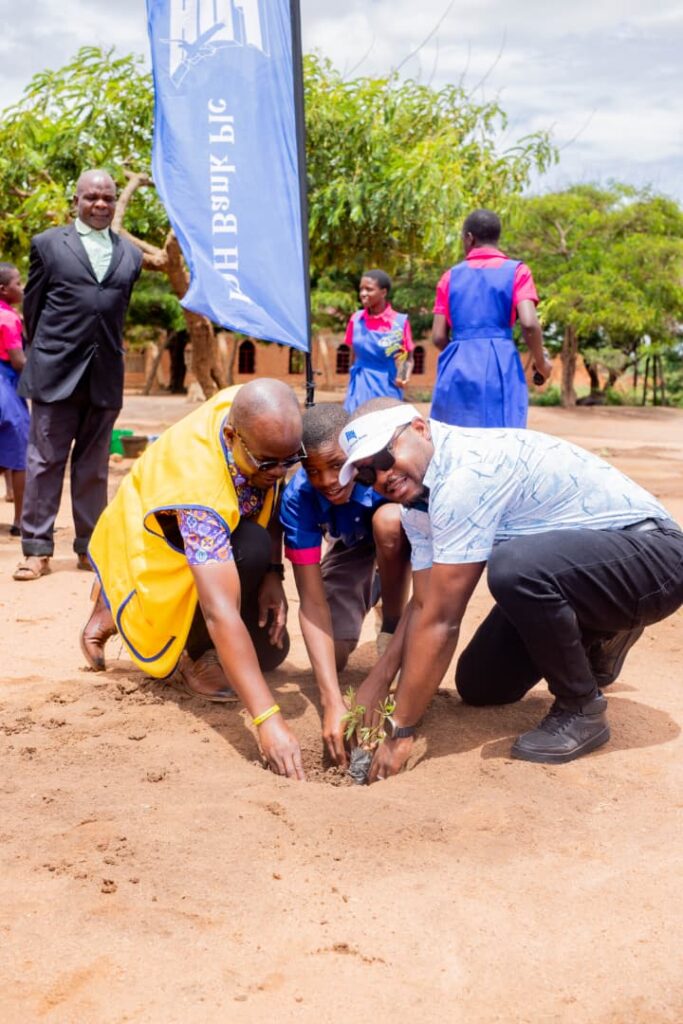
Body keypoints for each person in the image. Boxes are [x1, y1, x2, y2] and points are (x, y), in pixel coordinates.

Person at [336, 398, 683, 781]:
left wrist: (400, 730)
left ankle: (581, 709)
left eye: (385, 458)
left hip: (654, 560)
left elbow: (443, 621)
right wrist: (377, 681)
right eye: (368, 475)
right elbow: (423, 603)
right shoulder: (418, 500)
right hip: (584, 569)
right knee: (481, 684)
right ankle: (597, 630)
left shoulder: (468, 474)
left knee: (514, 568)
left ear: (419, 429)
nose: (382, 477)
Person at [80, 379, 307, 780]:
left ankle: (123, 603)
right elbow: (220, 611)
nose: (281, 471)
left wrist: (274, 575)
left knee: (271, 653)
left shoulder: (261, 420)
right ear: (233, 436)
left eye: (291, 459)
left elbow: (268, 494)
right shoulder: (199, 487)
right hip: (149, 546)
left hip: (223, 529)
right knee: (249, 547)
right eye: (268, 462)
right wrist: (267, 719)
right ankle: (164, 632)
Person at [13, 169, 143, 581]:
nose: (100, 204)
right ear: (77, 200)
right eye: (92, 197)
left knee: (95, 466)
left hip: (105, 373)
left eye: (107, 197)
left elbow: (118, 311)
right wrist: (49, 353)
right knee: (45, 461)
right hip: (56, 372)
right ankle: (36, 549)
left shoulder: (131, 255)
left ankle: (91, 547)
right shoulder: (49, 245)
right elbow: (32, 309)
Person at [280, 402, 411, 765]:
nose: (325, 481)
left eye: (337, 466)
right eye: (312, 470)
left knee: (388, 525)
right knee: (332, 658)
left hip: (402, 542)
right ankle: (370, 589)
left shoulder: (385, 473)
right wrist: (331, 701)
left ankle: (392, 620)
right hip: (350, 547)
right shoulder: (299, 498)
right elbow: (311, 599)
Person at [430, 209, 553, 428]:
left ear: (469, 238)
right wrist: (541, 363)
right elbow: (529, 323)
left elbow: (438, 337)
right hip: (502, 364)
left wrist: (463, 355)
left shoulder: (449, 277)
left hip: (457, 364)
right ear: (497, 237)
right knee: (502, 438)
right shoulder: (517, 271)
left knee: (454, 437)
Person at [342, 269, 414, 413]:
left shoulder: (399, 322)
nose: (363, 293)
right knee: (355, 426)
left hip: (386, 386)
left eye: (369, 289)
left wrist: (403, 376)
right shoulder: (355, 319)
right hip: (359, 385)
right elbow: (353, 355)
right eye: (361, 289)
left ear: (383, 292)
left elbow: (407, 357)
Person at [0, 263, 28, 537]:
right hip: (5, 386)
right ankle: (21, 521)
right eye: (17, 283)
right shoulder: (8, 319)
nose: (21, 287)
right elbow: (19, 361)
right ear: (3, 290)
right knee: (19, 455)